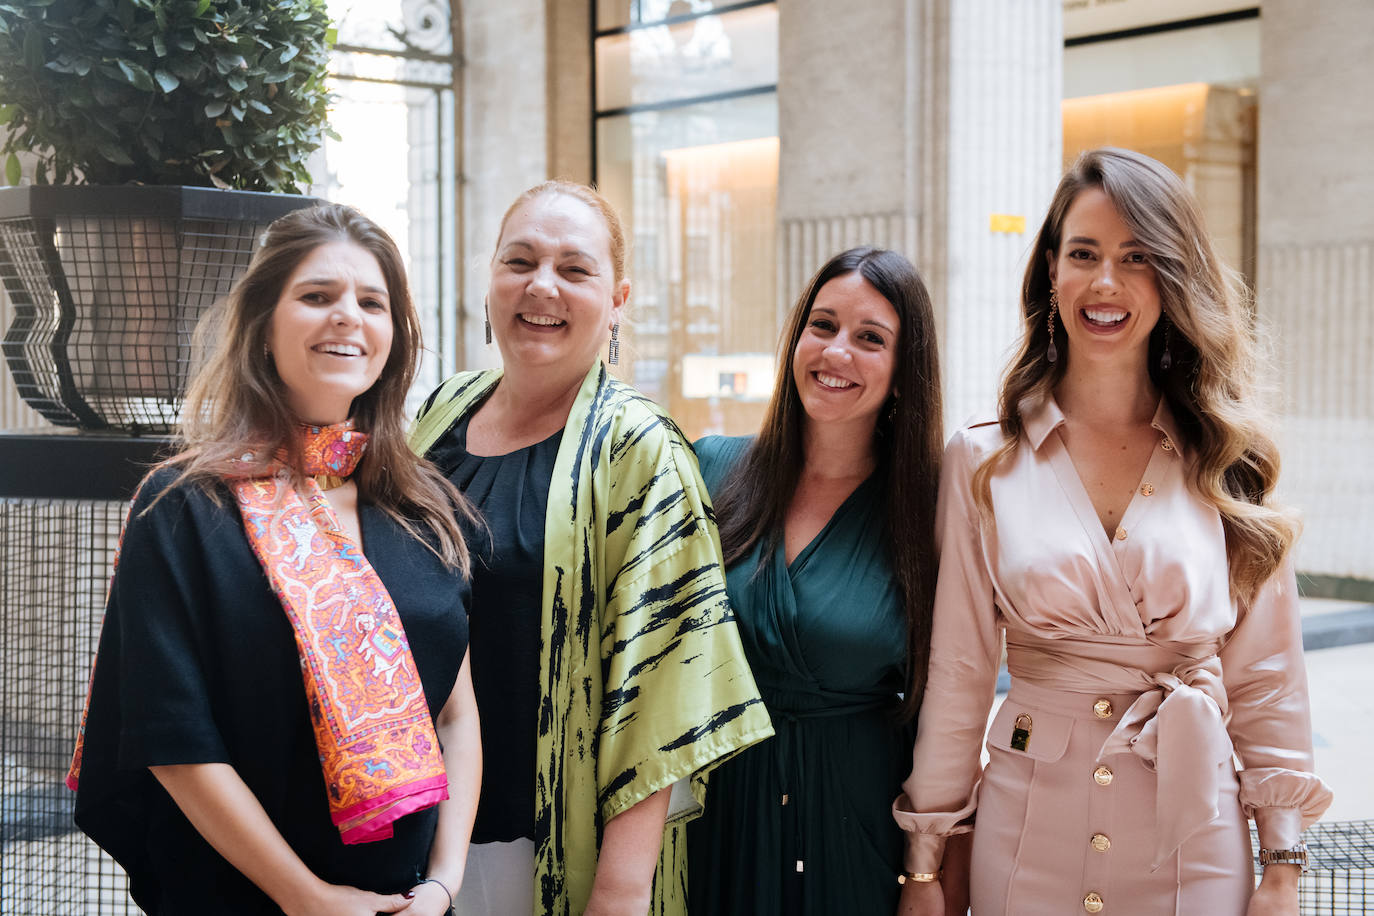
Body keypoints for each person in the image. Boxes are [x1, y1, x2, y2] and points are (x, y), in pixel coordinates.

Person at [894, 147, 1333, 916]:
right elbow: (960, 670)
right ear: (1051, 275)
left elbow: (1266, 680)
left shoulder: (1229, 455)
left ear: (1173, 276)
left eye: (1137, 257)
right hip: (1025, 832)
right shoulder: (982, 458)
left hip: (1192, 835)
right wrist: (928, 860)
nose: (1106, 283)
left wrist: (1283, 864)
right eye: (1084, 254)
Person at [67, 204, 482, 916]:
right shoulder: (183, 508)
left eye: (372, 302)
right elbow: (173, 739)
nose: (348, 316)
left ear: (393, 336)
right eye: (317, 296)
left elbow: (454, 715)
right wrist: (309, 898)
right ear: (263, 326)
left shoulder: (419, 504)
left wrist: (444, 881)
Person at [409, 179, 773, 916]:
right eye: (520, 261)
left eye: (574, 270)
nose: (542, 285)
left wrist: (620, 888)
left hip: (542, 848)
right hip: (413, 834)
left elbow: (671, 681)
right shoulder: (440, 413)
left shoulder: (640, 450)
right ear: (490, 281)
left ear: (617, 300)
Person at [685, 247, 944, 915]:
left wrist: (929, 875)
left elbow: (952, 710)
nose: (836, 353)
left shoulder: (930, 509)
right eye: (822, 325)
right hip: (717, 812)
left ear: (904, 369)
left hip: (860, 823)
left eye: (870, 338)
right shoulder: (712, 470)